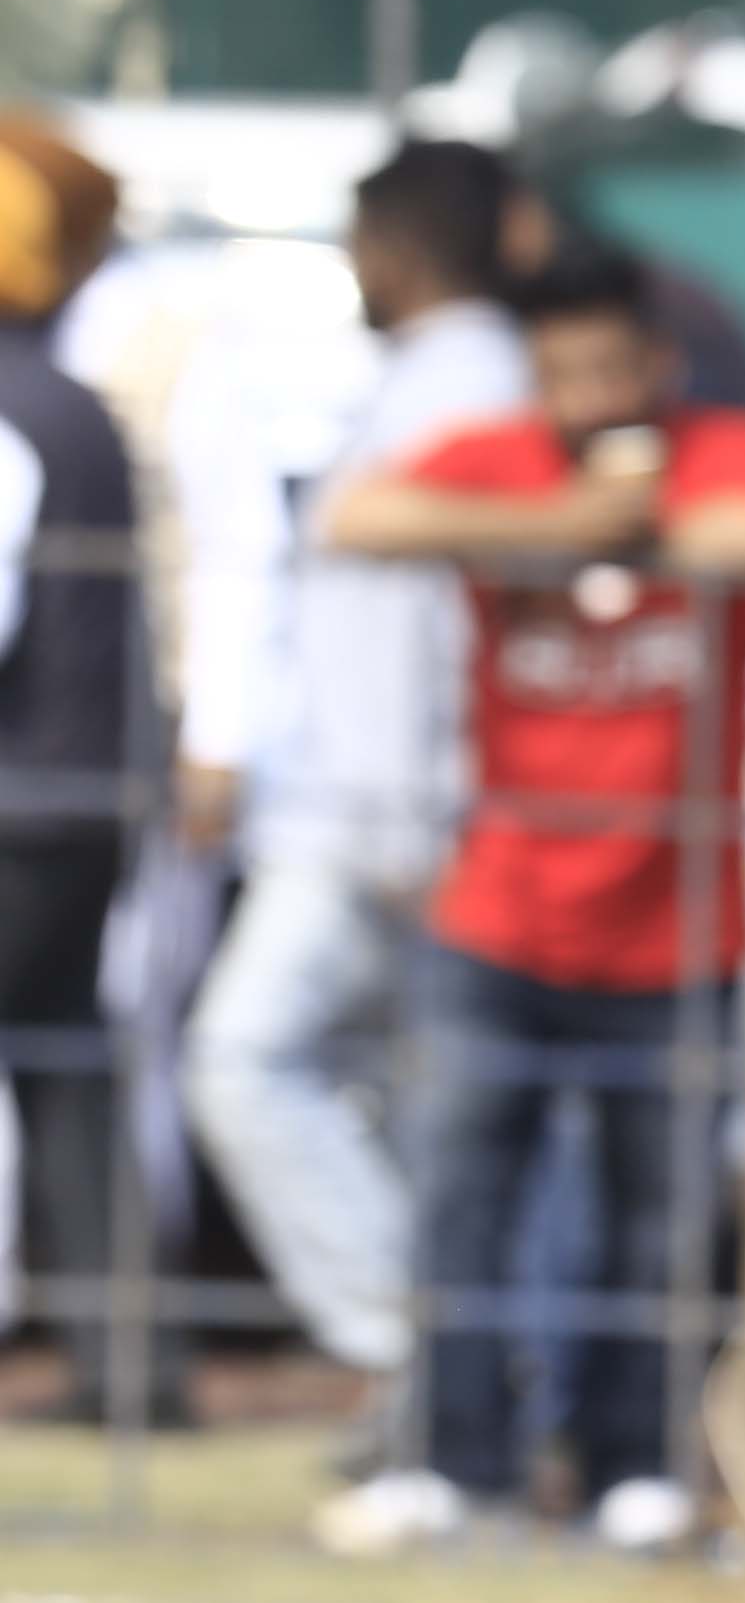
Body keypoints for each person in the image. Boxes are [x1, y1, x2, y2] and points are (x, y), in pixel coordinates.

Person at [308, 244, 745, 1555]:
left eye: (610, 371)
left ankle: (633, 1460)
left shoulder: (728, 449)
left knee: (659, 1220)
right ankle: (454, 1460)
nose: (588, 401)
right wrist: (553, 527)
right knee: (461, 1202)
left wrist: (630, 525)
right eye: (561, 375)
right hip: (501, 907)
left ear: (659, 365)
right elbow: (357, 519)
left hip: (680, 919)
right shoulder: (498, 456)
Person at [176, 135, 528, 1440]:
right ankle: (439, 1367)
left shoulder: (465, 387)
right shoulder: (440, 379)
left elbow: (416, 633)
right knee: (397, 1099)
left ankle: (428, 1349)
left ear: (396, 248)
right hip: (378, 804)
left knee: (245, 1062)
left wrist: (400, 820)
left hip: (386, 813)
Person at [0, 112, 157, 1427]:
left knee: (60, 1063)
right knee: (64, 1067)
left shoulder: (16, 408)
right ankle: (133, 1365)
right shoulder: (70, 402)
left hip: (18, 807)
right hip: (77, 797)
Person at [496, 170, 745, 419]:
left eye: (611, 372)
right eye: (558, 376)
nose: (591, 405)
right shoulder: (484, 449)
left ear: (663, 362)